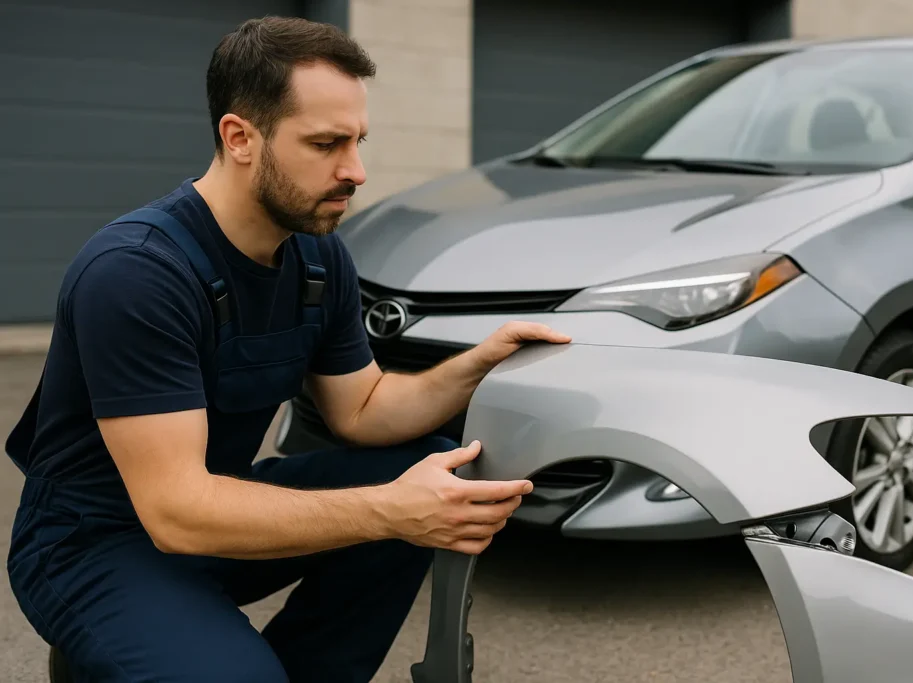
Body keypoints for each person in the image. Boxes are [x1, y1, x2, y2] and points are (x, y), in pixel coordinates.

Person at [5, 15, 570, 683]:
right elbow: (177, 511)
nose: (356, 170)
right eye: (327, 144)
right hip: (93, 543)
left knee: (433, 468)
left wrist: (476, 366)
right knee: (393, 507)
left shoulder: (318, 256)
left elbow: (361, 408)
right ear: (240, 137)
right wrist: (389, 508)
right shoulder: (136, 273)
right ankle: (114, 642)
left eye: (359, 140)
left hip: (216, 508)